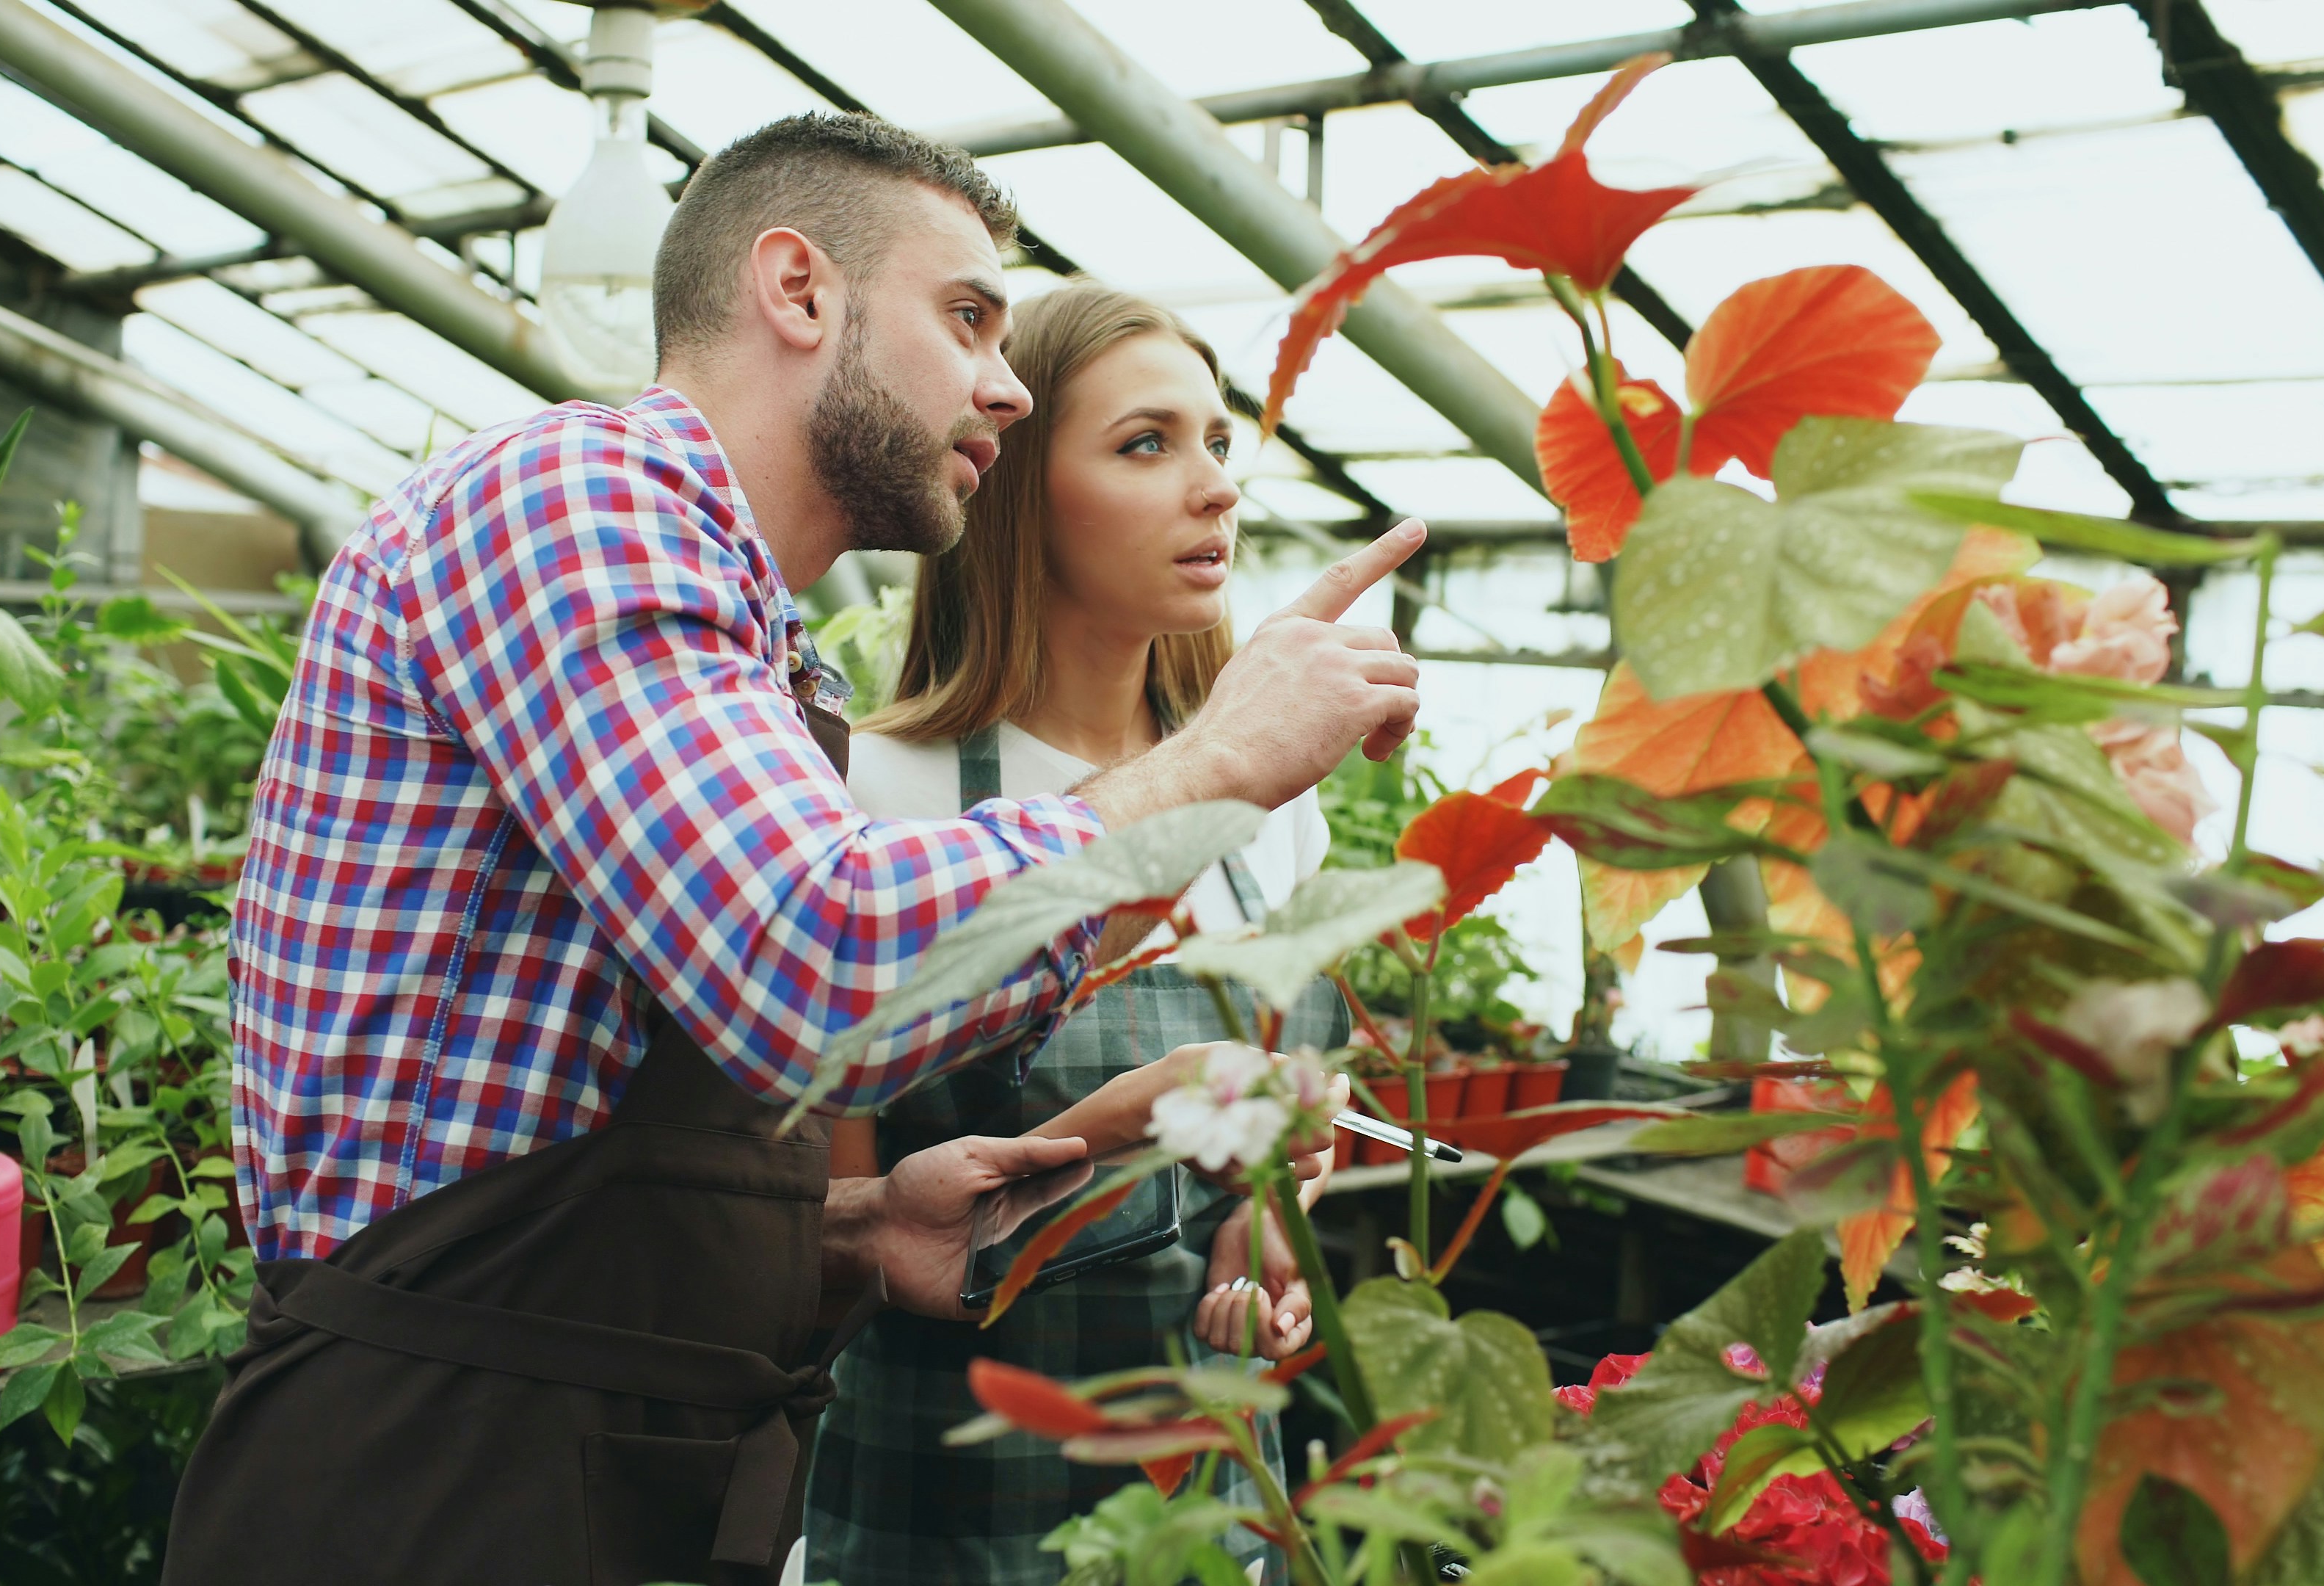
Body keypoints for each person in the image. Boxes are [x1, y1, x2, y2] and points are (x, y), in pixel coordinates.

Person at [161, 113, 1426, 1586]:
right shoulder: (579, 502)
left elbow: (570, 1118)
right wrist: (1218, 762)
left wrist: (845, 1229)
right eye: (967, 317)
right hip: (435, 1476)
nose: (1004, 386)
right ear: (799, 290)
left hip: (584, 1443)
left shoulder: (751, 645)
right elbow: (814, 963)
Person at [805, 283, 1346, 1586]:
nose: (1215, 487)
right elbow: (813, 1228)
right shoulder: (871, 795)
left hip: (1206, 1498)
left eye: (1218, 442)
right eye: (1145, 444)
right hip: (946, 1497)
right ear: (1008, 491)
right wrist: (1121, 1123)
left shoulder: (1278, 799)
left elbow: (1293, 1115)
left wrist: (1268, 1213)